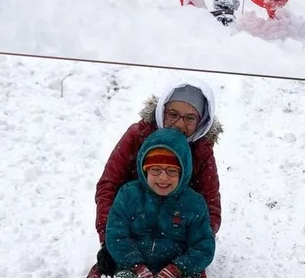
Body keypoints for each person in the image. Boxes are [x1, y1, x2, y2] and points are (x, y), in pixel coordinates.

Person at [87, 78, 222, 278]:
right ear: (162, 111)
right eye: (172, 114)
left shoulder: (202, 151)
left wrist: (190, 255)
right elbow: (109, 185)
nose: (179, 124)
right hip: (135, 225)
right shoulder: (138, 135)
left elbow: (210, 207)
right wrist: (109, 239)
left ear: (201, 121)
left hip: (177, 232)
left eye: (190, 118)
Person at [106, 129, 215, 278]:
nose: (163, 178)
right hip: (131, 267)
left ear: (183, 172)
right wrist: (135, 265)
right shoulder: (128, 195)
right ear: (145, 170)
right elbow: (116, 236)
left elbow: (203, 247)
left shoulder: (194, 204)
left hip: (178, 269)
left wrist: (177, 268)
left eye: (172, 171)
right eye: (156, 169)